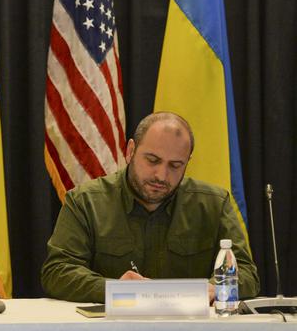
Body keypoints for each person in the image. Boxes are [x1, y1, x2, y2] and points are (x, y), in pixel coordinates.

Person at [40, 112, 259, 303]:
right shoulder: (86, 202)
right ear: (131, 151)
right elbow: (57, 272)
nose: (161, 176)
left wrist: (214, 288)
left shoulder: (214, 204)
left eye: (175, 165)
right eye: (152, 160)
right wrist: (115, 289)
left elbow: (247, 273)